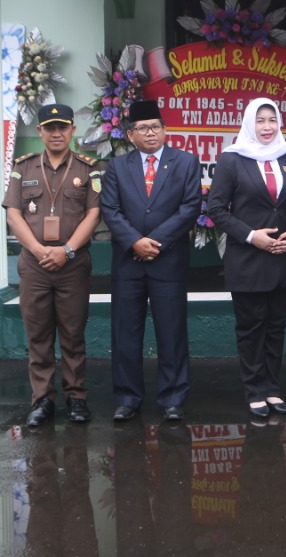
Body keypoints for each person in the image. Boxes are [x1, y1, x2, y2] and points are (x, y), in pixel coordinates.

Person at [207, 99, 286, 419]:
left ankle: (272, 389)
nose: (267, 127)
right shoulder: (231, 159)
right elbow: (216, 210)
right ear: (249, 123)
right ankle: (254, 391)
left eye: (272, 120)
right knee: (251, 328)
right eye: (260, 120)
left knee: (276, 327)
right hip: (248, 260)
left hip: (284, 258)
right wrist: (252, 236)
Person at [100, 99, 203, 422]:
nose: (150, 133)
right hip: (128, 263)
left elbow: (190, 207)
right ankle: (127, 398)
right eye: (142, 128)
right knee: (125, 334)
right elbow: (110, 210)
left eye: (155, 127)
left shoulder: (185, 162)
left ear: (165, 130)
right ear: (131, 134)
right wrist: (135, 241)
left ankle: (173, 398)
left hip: (167, 261)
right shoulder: (117, 167)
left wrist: (154, 242)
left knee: (171, 333)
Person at [4, 103, 102, 427]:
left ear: (73, 129)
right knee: (38, 335)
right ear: (40, 131)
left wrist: (67, 251)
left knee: (73, 334)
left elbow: (94, 214)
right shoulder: (23, 167)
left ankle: (76, 398)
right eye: (50, 128)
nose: (56, 133)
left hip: (73, 265)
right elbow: (13, 213)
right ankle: (42, 400)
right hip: (35, 265)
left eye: (62, 127)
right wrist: (37, 250)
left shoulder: (87, 169)